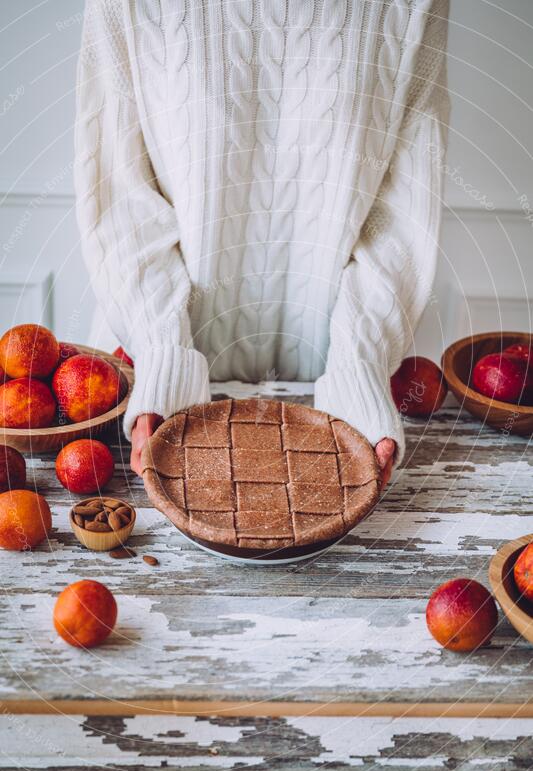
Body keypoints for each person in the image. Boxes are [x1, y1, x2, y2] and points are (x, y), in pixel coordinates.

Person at [75, 0, 449, 489]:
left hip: (341, 387)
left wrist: (358, 370)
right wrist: (163, 358)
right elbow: (119, 198)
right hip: (147, 378)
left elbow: (402, 214)